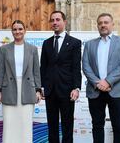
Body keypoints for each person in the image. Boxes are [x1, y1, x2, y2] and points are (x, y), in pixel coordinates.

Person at [82, 13, 120, 143]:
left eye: (106, 22)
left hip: (117, 90)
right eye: (100, 23)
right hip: (95, 90)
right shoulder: (89, 44)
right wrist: (98, 82)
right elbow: (86, 66)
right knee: (97, 125)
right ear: (97, 26)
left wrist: (108, 81)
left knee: (119, 126)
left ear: (112, 24)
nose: (103, 25)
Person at [0, 20, 42, 142]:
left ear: (25, 30)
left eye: (20, 29)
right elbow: (0, 71)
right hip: (9, 89)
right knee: (9, 124)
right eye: (15, 29)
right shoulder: (4, 49)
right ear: (12, 32)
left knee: (25, 124)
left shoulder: (32, 49)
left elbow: (36, 71)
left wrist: (38, 90)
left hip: (28, 89)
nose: (17, 31)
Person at [40, 10, 82, 143]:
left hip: (67, 90)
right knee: (52, 126)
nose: (55, 23)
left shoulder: (75, 42)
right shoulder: (46, 43)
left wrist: (76, 88)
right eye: (52, 20)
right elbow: (43, 67)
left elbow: (76, 67)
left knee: (67, 125)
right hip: (50, 91)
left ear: (64, 22)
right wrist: (41, 87)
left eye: (57, 20)